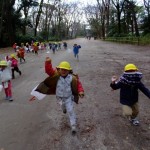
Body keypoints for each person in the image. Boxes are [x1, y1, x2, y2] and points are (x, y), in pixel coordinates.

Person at [30, 57, 84, 135]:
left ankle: (73, 125)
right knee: (62, 106)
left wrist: (81, 91)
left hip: (69, 97)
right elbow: (48, 71)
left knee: (71, 110)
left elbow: (78, 85)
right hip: (59, 97)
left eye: (65, 69)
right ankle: (63, 108)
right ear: (58, 69)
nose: (63, 71)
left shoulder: (73, 78)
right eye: (62, 69)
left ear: (69, 70)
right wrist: (48, 63)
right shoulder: (55, 76)